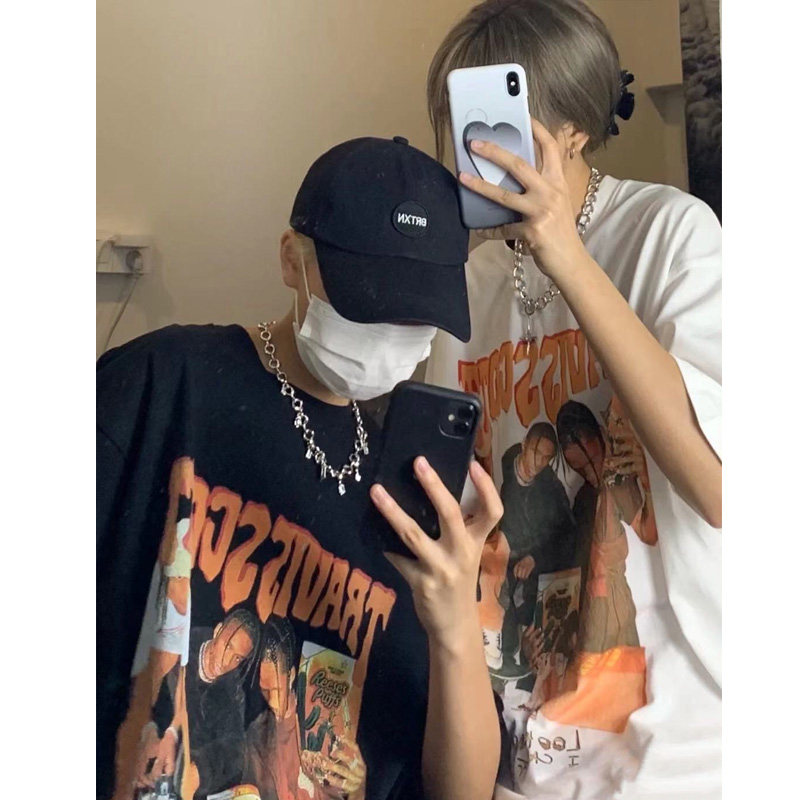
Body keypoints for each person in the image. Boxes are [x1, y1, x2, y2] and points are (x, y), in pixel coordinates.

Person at [98, 136, 503, 800]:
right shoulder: (164, 384)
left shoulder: (411, 489)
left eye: (416, 314)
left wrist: (456, 617)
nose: (390, 332)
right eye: (366, 302)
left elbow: (462, 789)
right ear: (292, 260)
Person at [424, 1, 722, 798]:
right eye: (461, 122)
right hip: (516, 749)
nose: (478, 150)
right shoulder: (466, 285)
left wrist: (567, 255)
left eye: (498, 120)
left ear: (576, 129)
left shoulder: (670, 234)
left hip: (672, 755)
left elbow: (720, 486)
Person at [479, 421, 575, 676]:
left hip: (534, 574)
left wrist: (536, 558)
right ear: (524, 445)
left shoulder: (551, 487)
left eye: (546, 458)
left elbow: (567, 535)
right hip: (496, 562)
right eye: (535, 452)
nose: (539, 462)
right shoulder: (500, 468)